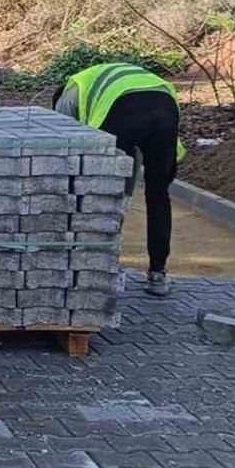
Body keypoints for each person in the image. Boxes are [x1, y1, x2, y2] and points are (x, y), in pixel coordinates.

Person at [53, 63, 186, 297]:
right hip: (164, 106)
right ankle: (157, 274)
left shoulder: (70, 90)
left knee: (104, 192)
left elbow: (64, 144)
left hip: (122, 109)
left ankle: (102, 266)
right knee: (158, 196)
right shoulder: (102, 77)